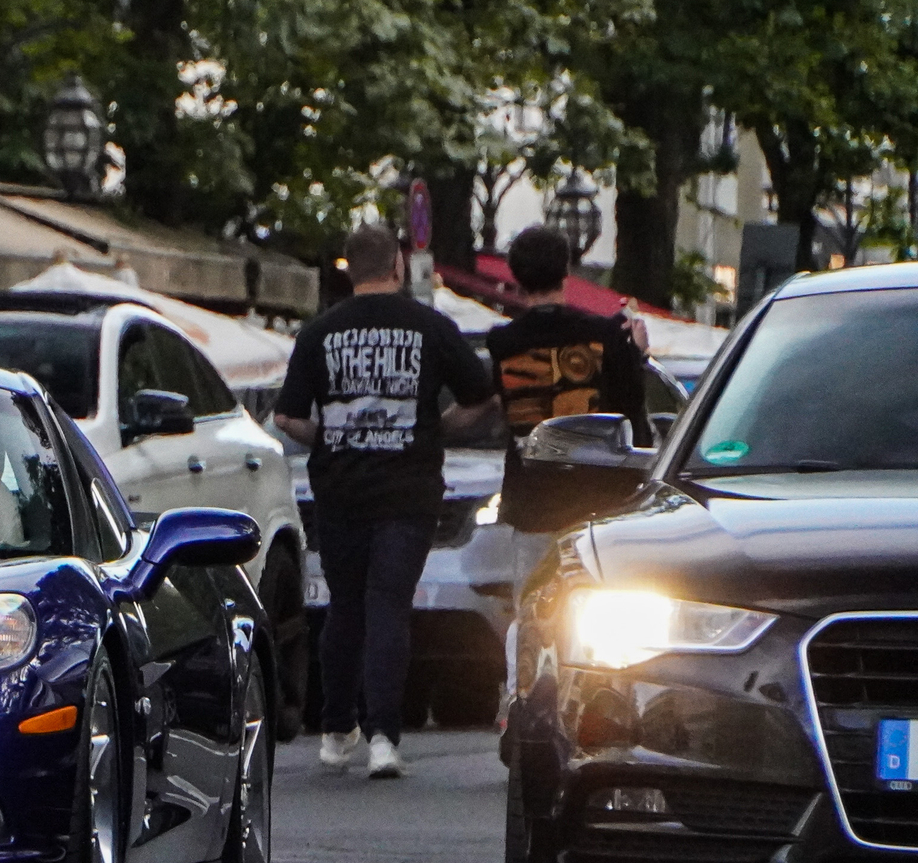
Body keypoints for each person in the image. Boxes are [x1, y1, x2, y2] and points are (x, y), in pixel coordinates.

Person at [275, 224, 498, 779]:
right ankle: (383, 739)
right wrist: (435, 431)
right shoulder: (429, 327)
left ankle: (333, 730)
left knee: (345, 606)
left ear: (349, 268)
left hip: (341, 488)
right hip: (409, 487)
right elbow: (481, 396)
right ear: (398, 266)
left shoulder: (318, 334)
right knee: (389, 605)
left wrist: (331, 438)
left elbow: (286, 416)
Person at [486, 226, 652, 540]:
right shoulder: (604, 335)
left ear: (517, 277)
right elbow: (631, 404)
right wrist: (636, 355)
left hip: (530, 504)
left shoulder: (503, 343)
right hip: (596, 503)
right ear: (566, 271)